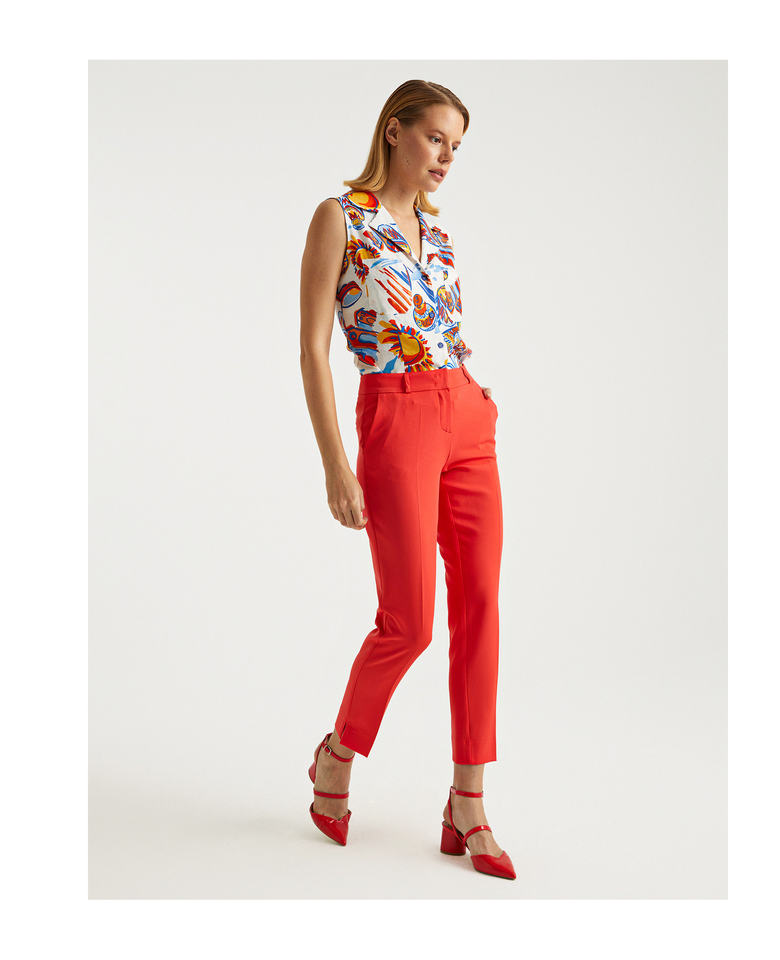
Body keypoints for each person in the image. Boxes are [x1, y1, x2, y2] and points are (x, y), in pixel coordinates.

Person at [298, 79, 515, 880]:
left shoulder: (440, 236)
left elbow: (443, 328)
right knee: (410, 622)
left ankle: (468, 802)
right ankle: (338, 753)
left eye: (457, 146)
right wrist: (335, 463)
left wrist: (475, 399)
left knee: (482, 606)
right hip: (395, 418)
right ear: (394, 131)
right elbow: (311, 348)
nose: (447, 156)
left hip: (466, 417)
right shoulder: (341, 217)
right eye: (435, 138)